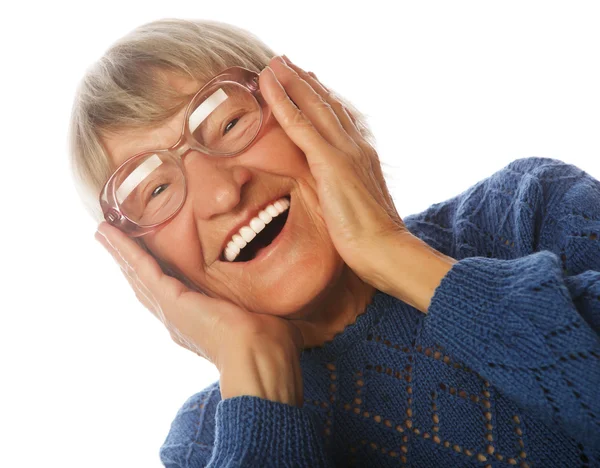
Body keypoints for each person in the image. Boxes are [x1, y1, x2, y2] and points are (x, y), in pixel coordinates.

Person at [69, 18, 600, 467]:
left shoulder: (529, 211)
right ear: (142, 261)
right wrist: (257, 380)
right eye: (156, 190)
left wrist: (393, 253)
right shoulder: (205, 443)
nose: (223, 193)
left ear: (311, 105)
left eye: (229, 122)